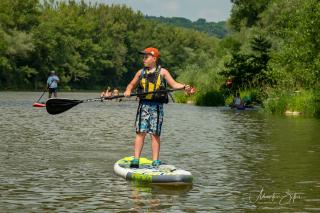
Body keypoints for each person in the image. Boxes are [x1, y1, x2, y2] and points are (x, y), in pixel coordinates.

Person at [124, 47, 194, 168]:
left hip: (157, 107)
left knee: (155, 134)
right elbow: (131, 84)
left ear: (154, 58)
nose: (144, 59)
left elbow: (174, 84)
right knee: (141, 132)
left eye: (146, 57)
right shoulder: (140, 72)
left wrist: (184, 87)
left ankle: (155, 160)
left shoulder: (163, 72)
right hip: (144, 106)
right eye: (143, 57)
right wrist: (128, 90)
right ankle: (136, 159)